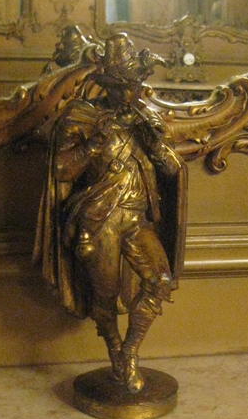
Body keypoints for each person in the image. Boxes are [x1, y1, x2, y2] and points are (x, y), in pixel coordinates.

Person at [34, 33, 186, 395]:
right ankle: (115, 350)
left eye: (134, 85)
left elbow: (172, 169)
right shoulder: (81, 117)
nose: (130, 93)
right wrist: (93, 144)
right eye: (122, 86)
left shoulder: (146, 118)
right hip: (99, 219)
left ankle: (130, 350)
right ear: (107, 85)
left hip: (136, 218)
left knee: (159, 280)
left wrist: (156, 144)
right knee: (104, 296)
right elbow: (62, 171)